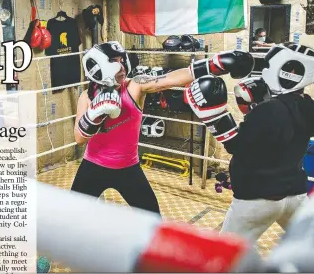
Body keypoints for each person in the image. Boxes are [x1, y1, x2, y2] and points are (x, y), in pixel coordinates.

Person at [72, 41, 254, 215]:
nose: (121, 66)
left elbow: (169, 79)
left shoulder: (134, 86)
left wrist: (214, 64)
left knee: (152, 218)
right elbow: (79, 139)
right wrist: (93, 116)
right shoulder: (86, 98)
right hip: (93, 166)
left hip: (128, 168)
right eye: (114, 61)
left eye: (122, 60)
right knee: (71, 216)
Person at [183, 42, 314, 244]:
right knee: (313, 250)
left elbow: (238, 147)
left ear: (289, 71)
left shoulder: (268, 112)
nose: (266, 69)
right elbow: (279, 135)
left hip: (257, 199)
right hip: (295, 195)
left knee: (226, 256)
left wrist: (215, 117)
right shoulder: (310, 108)